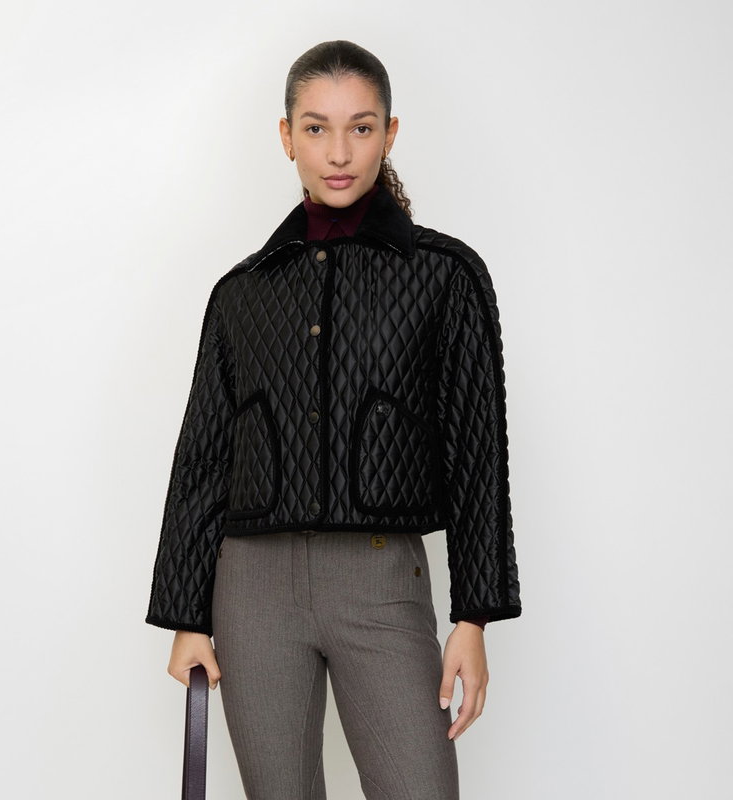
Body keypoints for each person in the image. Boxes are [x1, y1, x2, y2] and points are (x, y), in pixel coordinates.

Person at [145, 39, 522, 800]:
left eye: (361, 127)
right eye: (316, 128)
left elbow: (477, 450)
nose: (339, 152)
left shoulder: (445, 275)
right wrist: (188, 617)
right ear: (287, 137)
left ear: (390, 133)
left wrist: (474, 617)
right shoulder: (242, 292)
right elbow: (204, 458)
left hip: (379, 579)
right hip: (250, 588)